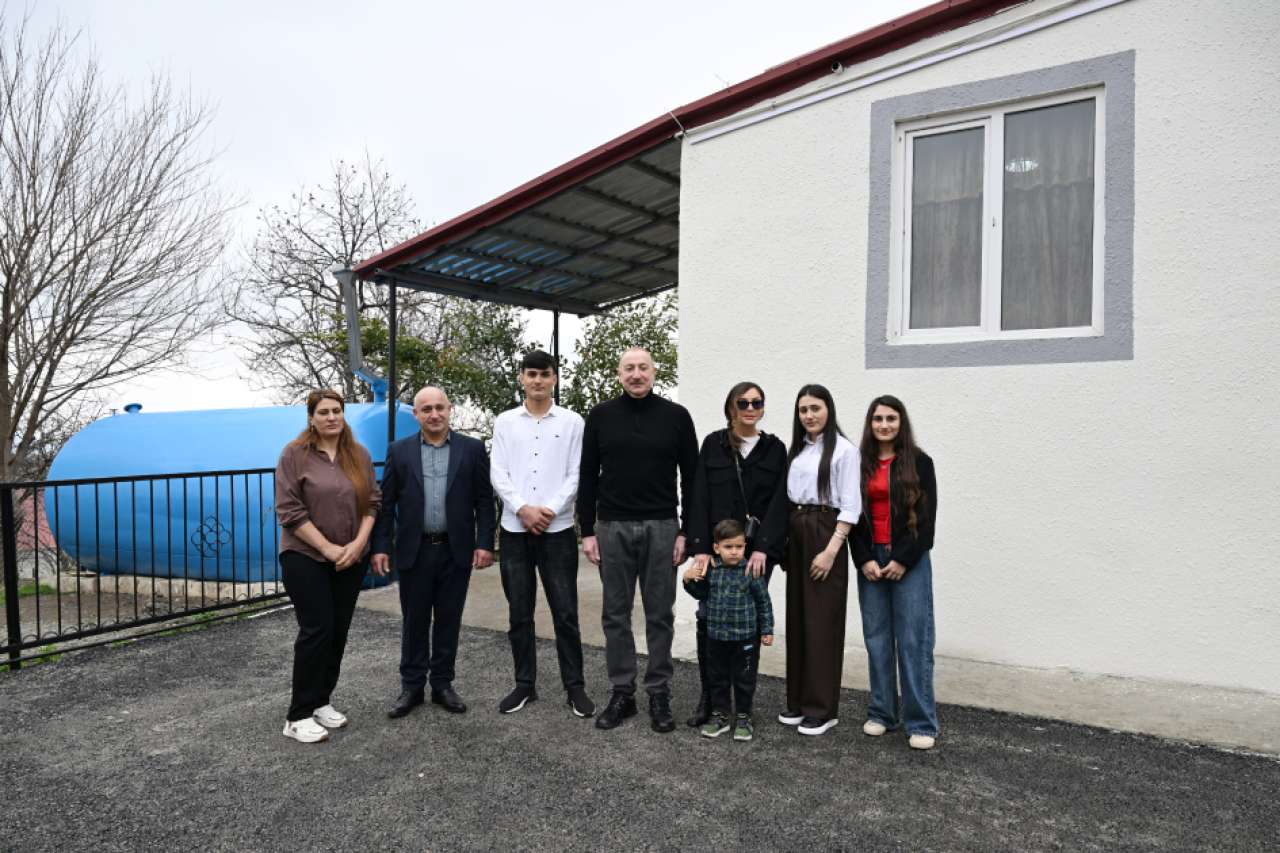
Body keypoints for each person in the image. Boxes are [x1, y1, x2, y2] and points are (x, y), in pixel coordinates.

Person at [577, 347, 698, 733]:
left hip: (662, 527)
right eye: (628, 368)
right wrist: (587, 531)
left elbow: (692, 478)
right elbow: (587, 475)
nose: (636, 374)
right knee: (615, 614)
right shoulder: (600, 416)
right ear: (619, 374)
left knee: (659, 614)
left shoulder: (676, 417)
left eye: (643, 367)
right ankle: (622, 692)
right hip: (612, 527)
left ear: (654, 372)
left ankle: (659, 691)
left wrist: (687, 532)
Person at [372, 386, 495, 719]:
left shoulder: (472, 449)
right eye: (426, 409)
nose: (434, 414)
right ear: (416, 414)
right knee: (414, 620)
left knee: (448, 619)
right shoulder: (399, 451)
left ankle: (442, 684)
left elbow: (484, 500)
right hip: (415, 550)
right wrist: (381, 546)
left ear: (450, 409)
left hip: (456, 550)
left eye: (440, 407)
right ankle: (411, 686)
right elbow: (386, 504)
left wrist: (485, 543)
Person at [489, 350, 594, 717]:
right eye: (531, 373)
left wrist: (549, 509)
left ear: (554, 378)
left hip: (558, 530)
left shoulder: (573, 422)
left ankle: (575, 687)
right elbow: (498, 472)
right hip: (515, 531)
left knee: (565, 612)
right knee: (520, 612)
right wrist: (523, 508)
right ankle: (524, 684)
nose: (537, 380)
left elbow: (577, 473)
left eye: (544, 374)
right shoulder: (505, 422)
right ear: (521, 377)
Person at [274, 389, 381, 744]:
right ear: (311, 418)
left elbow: (372, 503)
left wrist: (359, 543)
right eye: (323, 412)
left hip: (350, 557)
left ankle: (321, 700)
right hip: (305, 556)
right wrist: (328, 548)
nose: (332, 417)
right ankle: (297, 715)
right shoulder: (294, 455)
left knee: (338, 631)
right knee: (316, 630)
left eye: (337, 410)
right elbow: (289, 511)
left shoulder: (358, 455)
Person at [684, 381, 788, 727]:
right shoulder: (713, 444)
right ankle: (711, 700)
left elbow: (780, 503)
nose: (750, 408)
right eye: (743, 402)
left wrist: (763, 549)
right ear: (731, 407)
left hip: (753, 555)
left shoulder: (774, 449)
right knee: (708, 618)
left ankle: (743, 704)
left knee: (747, 622)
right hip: (716, 552)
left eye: (757, 402)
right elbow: (699, 496)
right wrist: (701, 549)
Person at [850, 395, 939, 750]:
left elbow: (927, 522)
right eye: (878, 419)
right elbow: (851, 515)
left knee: (914, 640)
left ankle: (921, 722)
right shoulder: (859, 464)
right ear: (870, 424)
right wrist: (864, 559)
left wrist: (902, 559)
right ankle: (882, 713)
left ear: (901, 423)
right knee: (877, 639)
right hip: (871, 560)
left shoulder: (920, 463)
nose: (884, 425)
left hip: (909, 561)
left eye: (891, 418)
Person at [776, 384, 860, 736]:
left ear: (829, 409)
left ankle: (822, 709)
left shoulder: (844, 451)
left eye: (815, 408)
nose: (809, 415)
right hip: (798, 530)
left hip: (826, 531)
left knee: (822, 622)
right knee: (798, 618)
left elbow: (851, 505)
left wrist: (830, 550)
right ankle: (797, 701)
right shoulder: (798, 451)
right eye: (803, 410)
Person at [682, 519, 774, 742]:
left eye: (739, 547)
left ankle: (744, 717)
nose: (734, 552)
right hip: (716, 638)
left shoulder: (751, 571)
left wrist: (767, 629)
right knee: (718, 679)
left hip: (746, 639)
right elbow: (701, 594)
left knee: (744, 680)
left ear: (745, 546)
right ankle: (720, 715)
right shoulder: (712, 570)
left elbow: (763, 602)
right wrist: (687, 580)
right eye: (728, 547)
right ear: (716, 548)